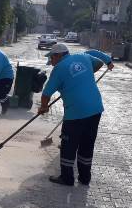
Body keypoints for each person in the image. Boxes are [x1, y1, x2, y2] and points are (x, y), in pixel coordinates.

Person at [38, 43, 108, 186]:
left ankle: (67, 178)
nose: (51, 62)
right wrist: (83, 76)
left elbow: (46, 94)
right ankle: (84, 178)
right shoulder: (83, 57)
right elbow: (100, 63)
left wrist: (44, 107)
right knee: (87, 144)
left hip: (76, 113)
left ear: (58, 55)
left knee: (68, 145)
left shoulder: (59, 69)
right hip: (95, 109)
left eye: (52, 58)